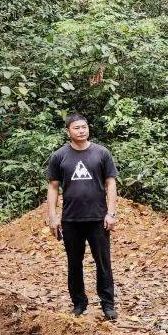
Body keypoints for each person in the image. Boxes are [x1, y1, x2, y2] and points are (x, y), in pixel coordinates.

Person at [45, 113, 119, 321]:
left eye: (84, 127)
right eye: (76, 128)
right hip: (71, 219)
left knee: (103, 262)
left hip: (97, 218)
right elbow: (53, 187)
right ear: (68, 131)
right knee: (74, 263)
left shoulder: (102, 153)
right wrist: (53, 215)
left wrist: (111, 213)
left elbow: (110, 183)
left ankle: (108, 304)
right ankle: (79, 303)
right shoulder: (60, 156)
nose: (81, 131)